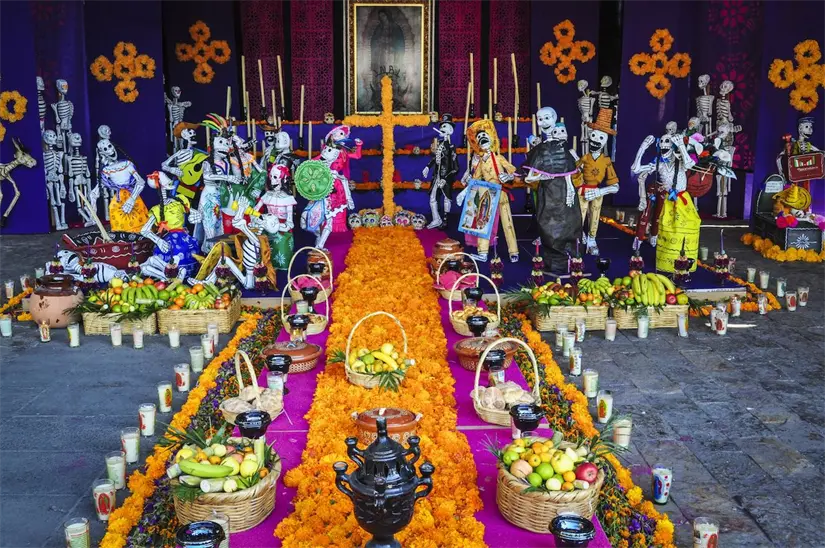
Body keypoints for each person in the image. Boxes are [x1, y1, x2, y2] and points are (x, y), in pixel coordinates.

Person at [523, 107, 582, 275]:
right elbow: (529, 177)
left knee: (568, 225)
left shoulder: (563, 147)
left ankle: (571, 262)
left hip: (564, 194)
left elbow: (569, 172)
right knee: (548, 226)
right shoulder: (539, 149)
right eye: (540, 119)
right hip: (547, 194)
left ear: (554, 118)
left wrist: (571, 190)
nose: (543, 123)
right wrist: (540, 178)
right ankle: (553, 263)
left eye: (547, 118)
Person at [457, 119, 519, 263]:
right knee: (482, 222)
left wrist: (508, 176)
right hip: (488, 194)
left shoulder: (499, 158)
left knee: (507, 222)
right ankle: (483, 252)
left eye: (484, 135)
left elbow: (514, 171)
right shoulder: (480, 163)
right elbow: (475, 180)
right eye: (478, 137)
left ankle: (513, 251)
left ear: (491, 138)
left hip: (502, 193)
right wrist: (464, 192)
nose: (482, 138)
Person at [575, 109, 619, 255]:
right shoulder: (585, 158)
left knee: (594, 215)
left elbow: (615, 187)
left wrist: (600, 191)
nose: (595, 140)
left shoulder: (606, 161)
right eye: (593, 135)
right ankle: (579, 236)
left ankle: (592, 239)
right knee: (579, 215)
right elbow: (572, 172)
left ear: (605, 140)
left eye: (600, 138)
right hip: (582, 190)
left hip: (597, 191)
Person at [254, 164, 297, 269]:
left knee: (281, 245)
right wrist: (256, 220)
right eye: (271, 176)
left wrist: (277, 227)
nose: (272, 180)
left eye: (275, 177)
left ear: (284, 179)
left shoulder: (288, 198)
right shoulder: (267, 195)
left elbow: (290, 223)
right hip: (266, 228)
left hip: (282, 230)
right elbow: (254, 210)